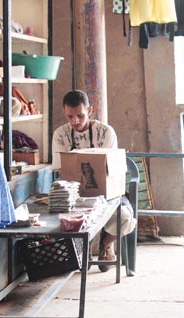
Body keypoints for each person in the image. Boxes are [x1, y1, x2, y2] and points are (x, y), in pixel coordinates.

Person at [52, 90, 137, 272]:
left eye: (80, 116)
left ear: (90, 111)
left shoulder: (105, 132)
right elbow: (62, 171)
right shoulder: (60, 135)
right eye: (70, 116)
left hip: (106, 193)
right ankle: (80, 252)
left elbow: (110, 169)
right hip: (75, 195)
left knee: (126, 218)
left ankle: (105, 244)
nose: (75, 121)